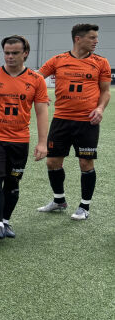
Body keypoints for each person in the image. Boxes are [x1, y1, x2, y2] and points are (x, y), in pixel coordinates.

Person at [0, 35, 49, 240]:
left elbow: (41, 112)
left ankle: (6, 221)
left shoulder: (36, 80)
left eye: (15, 53)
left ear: (25, 53)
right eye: (7, 52)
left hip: (20, 140)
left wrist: (42, 142)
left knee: (13, 183)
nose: (10, 57)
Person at [37, 23, 111, 220]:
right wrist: (41, 94)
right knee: (52, 162)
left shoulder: (101, 62)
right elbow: (36, 79)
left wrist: (100, 108)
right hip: (61, 120)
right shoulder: (58, 60)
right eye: (92, 38)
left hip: (87, 122)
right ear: (78, 39)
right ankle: (59, 200)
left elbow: (105, 91)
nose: (96, 41)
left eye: (96, 37)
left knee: (86, 163)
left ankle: (84, 207)